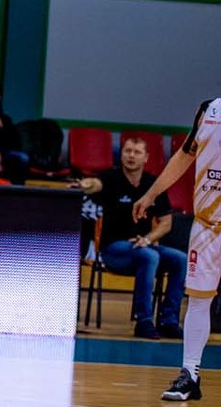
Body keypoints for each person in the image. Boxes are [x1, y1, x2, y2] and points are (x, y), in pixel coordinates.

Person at [134, 97, 220, 401]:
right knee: (198, 300)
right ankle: (190, 374)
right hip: (208, 225)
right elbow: (185, 155)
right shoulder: (209, 109)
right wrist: (152, 194)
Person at [76, 137, 182, 340]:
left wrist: (147, 239)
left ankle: (169, 321)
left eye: (137, 152)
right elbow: (95, 184)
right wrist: (84, 184)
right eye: (128, 151)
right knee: (149, 256)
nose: (131, 156)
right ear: (121, 154)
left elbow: (166, 223)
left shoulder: (153, 184)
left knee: (179, 259)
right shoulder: (111, 178)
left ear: (146, 157)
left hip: (144, 245)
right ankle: (144, 321)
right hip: (113, 250)